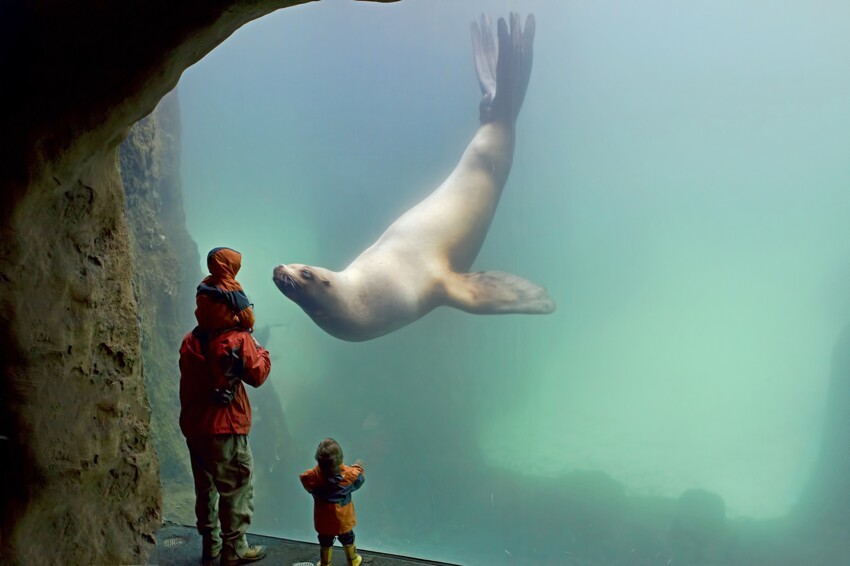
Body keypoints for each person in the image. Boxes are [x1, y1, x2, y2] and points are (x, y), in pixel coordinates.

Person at [179, 246, 271, 564]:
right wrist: (262, 350)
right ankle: (234, 548)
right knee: (236, 487)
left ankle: (211, 546)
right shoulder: (238, 339)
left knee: (206, 490)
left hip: (195, 428)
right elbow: (257, 375)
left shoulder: (191, 340)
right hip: (226, 429)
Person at [300, 438, 366, 566]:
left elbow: (307, 483)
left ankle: (325, 563)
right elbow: (359, 479)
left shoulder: (312, 478)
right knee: (348, 538)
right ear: (340, 459)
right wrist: (357, 467)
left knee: (325, 541)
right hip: (343, 519)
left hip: (323, 520)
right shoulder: (348, 477)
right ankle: (353, 560)